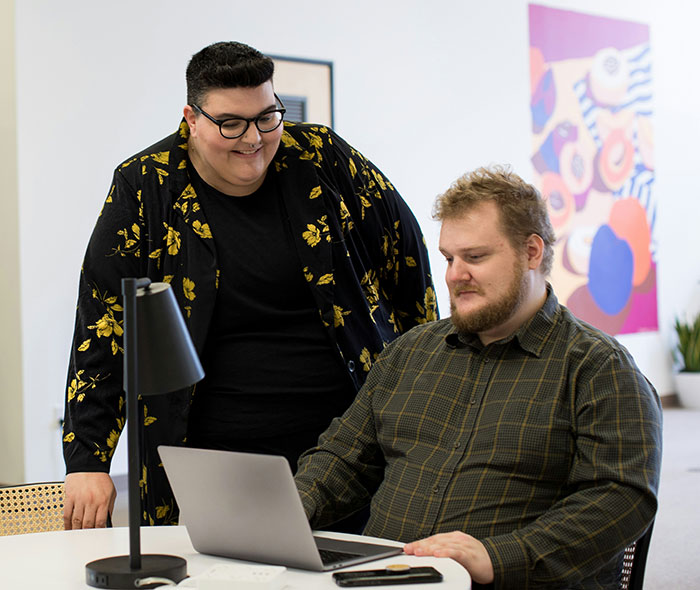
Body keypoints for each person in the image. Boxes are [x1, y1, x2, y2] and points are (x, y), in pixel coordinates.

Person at [62, 41, 437, 530]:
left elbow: (407, 263)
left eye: (267, 117)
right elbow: (105, 323)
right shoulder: (147, 186)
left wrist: (429, 390)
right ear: (191, 119)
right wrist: (88, 460)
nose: (253, 138)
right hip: (215, 453)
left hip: (346, 446)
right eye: (231, 123)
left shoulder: (322, 157)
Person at [294, 166, 662, 589]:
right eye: (449, 258)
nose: (454, 274)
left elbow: (620, 498)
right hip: (379, 580)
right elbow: (343, 458)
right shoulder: (410, 352)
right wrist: (290, 511)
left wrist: (497, 557)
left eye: (475, 257)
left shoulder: (598, 368)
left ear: (531, 252)